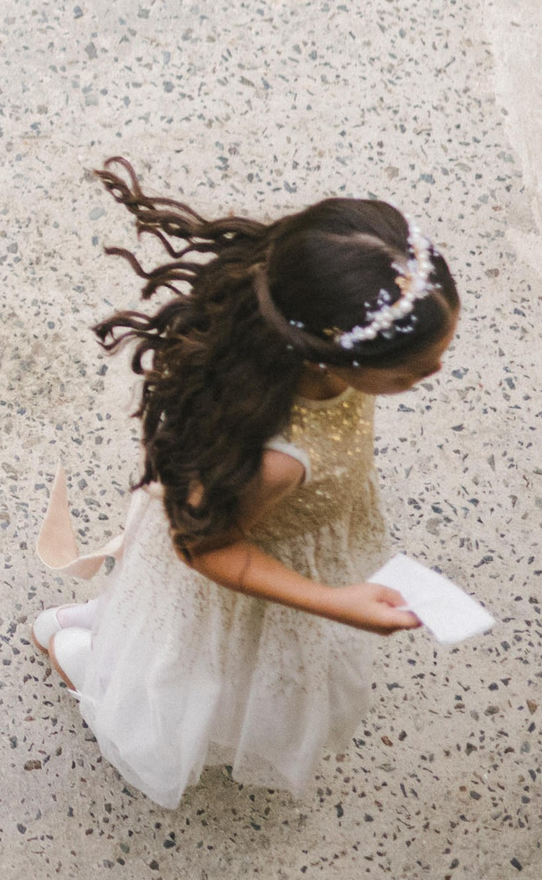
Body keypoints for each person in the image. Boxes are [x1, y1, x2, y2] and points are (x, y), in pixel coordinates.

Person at [30, 158, 456, 807]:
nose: (434, 371)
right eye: (410, 372)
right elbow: (204, 548)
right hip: (241, 565)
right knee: (201, 671)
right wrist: (335, 600)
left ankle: (104, 627)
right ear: (338, 351)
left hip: (260, 524)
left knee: (159, 620)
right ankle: (85, 662)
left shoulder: (293, 340)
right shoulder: (275, 455)